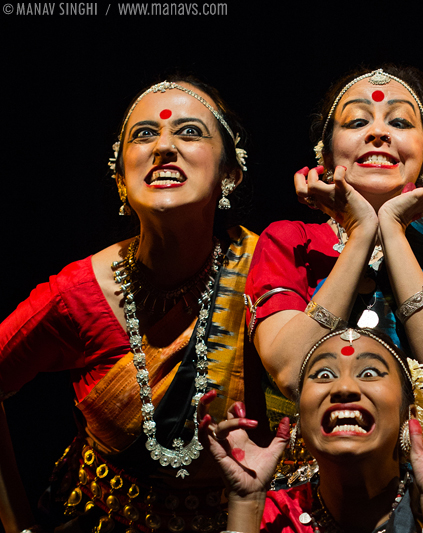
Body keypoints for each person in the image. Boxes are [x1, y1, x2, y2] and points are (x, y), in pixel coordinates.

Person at [0, 76, 266, 533]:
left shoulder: (269, 275)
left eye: (189, 132)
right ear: (120, 176)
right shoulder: (77, 295)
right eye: (144, 134)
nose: (163, 146)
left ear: (231, 172)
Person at [245, 66, 423, 407]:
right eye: (357, 122)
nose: (378, 132)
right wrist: (360, 234)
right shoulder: (290, 242)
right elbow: (292, 371)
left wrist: (392, 227)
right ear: (325, 156)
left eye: (399, 122)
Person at [199, 326, 423, 532]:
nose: (343, 387)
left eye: (369, 373)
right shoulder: (269, 517)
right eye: (323, 374)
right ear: (300, 419)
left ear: (410, 415)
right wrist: (245, 502)